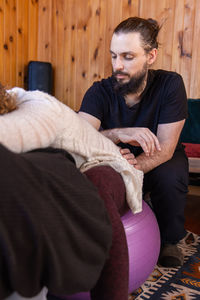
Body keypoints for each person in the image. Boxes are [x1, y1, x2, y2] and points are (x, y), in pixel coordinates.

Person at [0, 83, 138, 300]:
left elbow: (12, 136)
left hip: (108, 163)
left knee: (95, 188)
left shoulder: (35, 106)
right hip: (70, 166)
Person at [79, 16, 189, 268]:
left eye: (128, 57)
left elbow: (166, 147)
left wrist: (129, 169)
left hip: (159, 158)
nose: (118, 65)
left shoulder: (170, 84)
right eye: (114, 55)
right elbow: (78, 136)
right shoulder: (99, 92)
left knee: (171, 175)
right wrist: (118, 134)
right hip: (118, 159)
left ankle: (170, 239)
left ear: (151, 56)